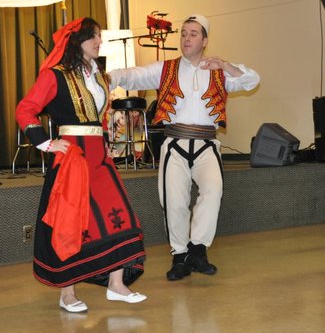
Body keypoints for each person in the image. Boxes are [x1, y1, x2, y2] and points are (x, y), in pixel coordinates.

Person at [110, 14, 260, 281]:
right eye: (184, 33)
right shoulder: (165, 68)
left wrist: (225, 65)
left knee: (213, 192)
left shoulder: (219, 70)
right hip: (176, 143)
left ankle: (198, 249)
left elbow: (251, 80)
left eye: (193, 34)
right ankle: (180, 256)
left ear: (204, 40)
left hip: (207, 144)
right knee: (174, 202)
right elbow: (134, 76)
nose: (187, 38)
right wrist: (109, 77)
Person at [16, 18, 147, 313]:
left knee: (121, 213)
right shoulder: (55, 75)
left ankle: (116, 284)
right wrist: (46, 143)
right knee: (71, 221)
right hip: (73, 157)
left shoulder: (100, 76)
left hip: (99, 155)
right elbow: (25, 109)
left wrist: (108, 141)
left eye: (99, 36)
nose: (99, 41)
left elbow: (99, 116)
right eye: (94, 37)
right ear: (78, 40)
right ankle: (67, 293)